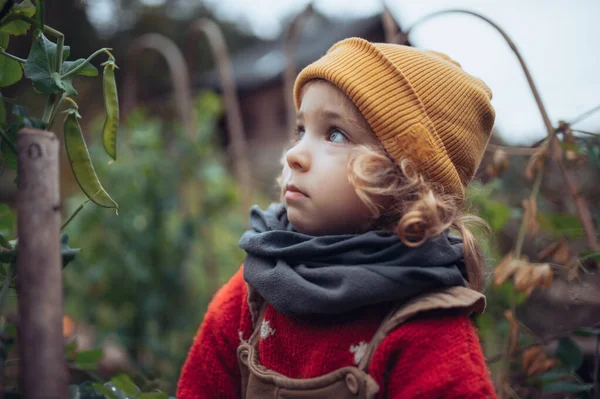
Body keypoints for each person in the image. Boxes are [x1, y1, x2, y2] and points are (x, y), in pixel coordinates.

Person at [177, 37, 497, 398]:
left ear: (408, 181)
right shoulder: (259, 284)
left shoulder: (426, 330)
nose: (295, 154)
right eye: (301, 130)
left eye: (335, 134)